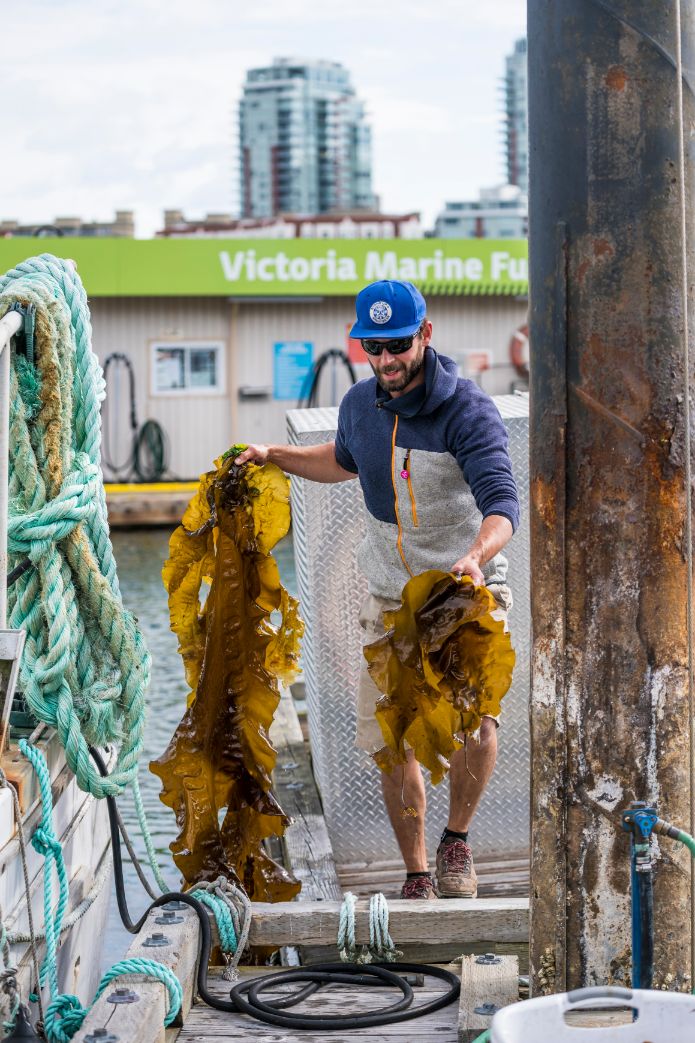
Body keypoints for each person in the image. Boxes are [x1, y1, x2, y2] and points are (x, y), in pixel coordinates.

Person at [235, 279, 520, 900]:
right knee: (390, 743)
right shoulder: (360, 405)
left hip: (462, 593)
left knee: (475, 725)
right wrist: (273, 454)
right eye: (373, 347)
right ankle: (417, 874)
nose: (386, 360)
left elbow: (503, 504)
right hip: (390, 599)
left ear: (425, 334)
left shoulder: (467, 410)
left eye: (397, 345)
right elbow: (341, 461)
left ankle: (456, 841)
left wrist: (476, 556)